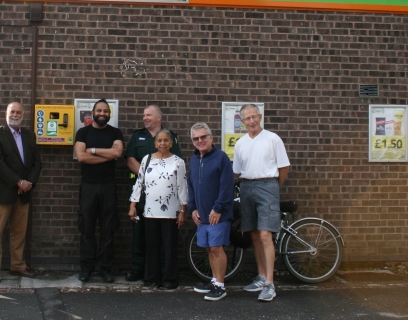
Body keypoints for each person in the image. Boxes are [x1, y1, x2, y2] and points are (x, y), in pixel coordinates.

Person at [232, 104, 290, 302]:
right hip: (247, 186)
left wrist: (273, 188)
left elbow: (284, 167)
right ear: (242, 122)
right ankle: (261, 276)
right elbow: (238, 171)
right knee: (255, 235)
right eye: (247, 118)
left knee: (266, 234)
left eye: (254, 117)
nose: (251, 121)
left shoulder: (273, 139)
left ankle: (270, 284)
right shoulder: (240, 143)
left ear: (260, 116)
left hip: (268, 185)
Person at [0, 102, 42, 283]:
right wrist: (18, 181)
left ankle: (17, 266)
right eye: (12, 111)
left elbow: (36, 163)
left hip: (23, 193)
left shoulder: (30, 136)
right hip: (1, 192)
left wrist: (29, 183)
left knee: (19, 232)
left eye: (18, 112)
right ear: (6, 113)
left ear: (23, 114)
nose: (15, 114)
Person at [124, 104, 182, 282]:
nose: (145, 118)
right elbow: (130, 159)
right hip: (142, 193)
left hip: (165, 197)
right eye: (144, 115)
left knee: (164, 236)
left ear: (159, 117)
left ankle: (163, 273)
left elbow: (176, 162)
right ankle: (138, 269)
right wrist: (149, 177)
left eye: (148, 115)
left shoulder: (170, 137)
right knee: (140, 233)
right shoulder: (137, 136)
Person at [74, 99, 123, 283]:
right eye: (99, 110)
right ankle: (86, 268)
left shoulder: (115, 132)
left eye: (105, 111)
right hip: (88, 186)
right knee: (86, 228)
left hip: (109, 186)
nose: (102, 113)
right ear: (93, 113)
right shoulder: (83, 132)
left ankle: (105, 268)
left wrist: (92, 151)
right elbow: (81, 156)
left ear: (109, 114)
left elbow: (117, 154)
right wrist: (107, 155)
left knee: (107, 229)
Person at [187, 122, 234, 301]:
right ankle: (214, 280)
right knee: (208, 249)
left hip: (217, 214)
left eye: (203, 137)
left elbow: (226, 186)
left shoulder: (221, 158)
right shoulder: (193, 160)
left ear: (211, 137)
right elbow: (191, 185)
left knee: (216, 248)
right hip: (201, 214)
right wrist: (193, 209)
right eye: (196, 138)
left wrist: (217, 209)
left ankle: (220, 286)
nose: (200, 141)